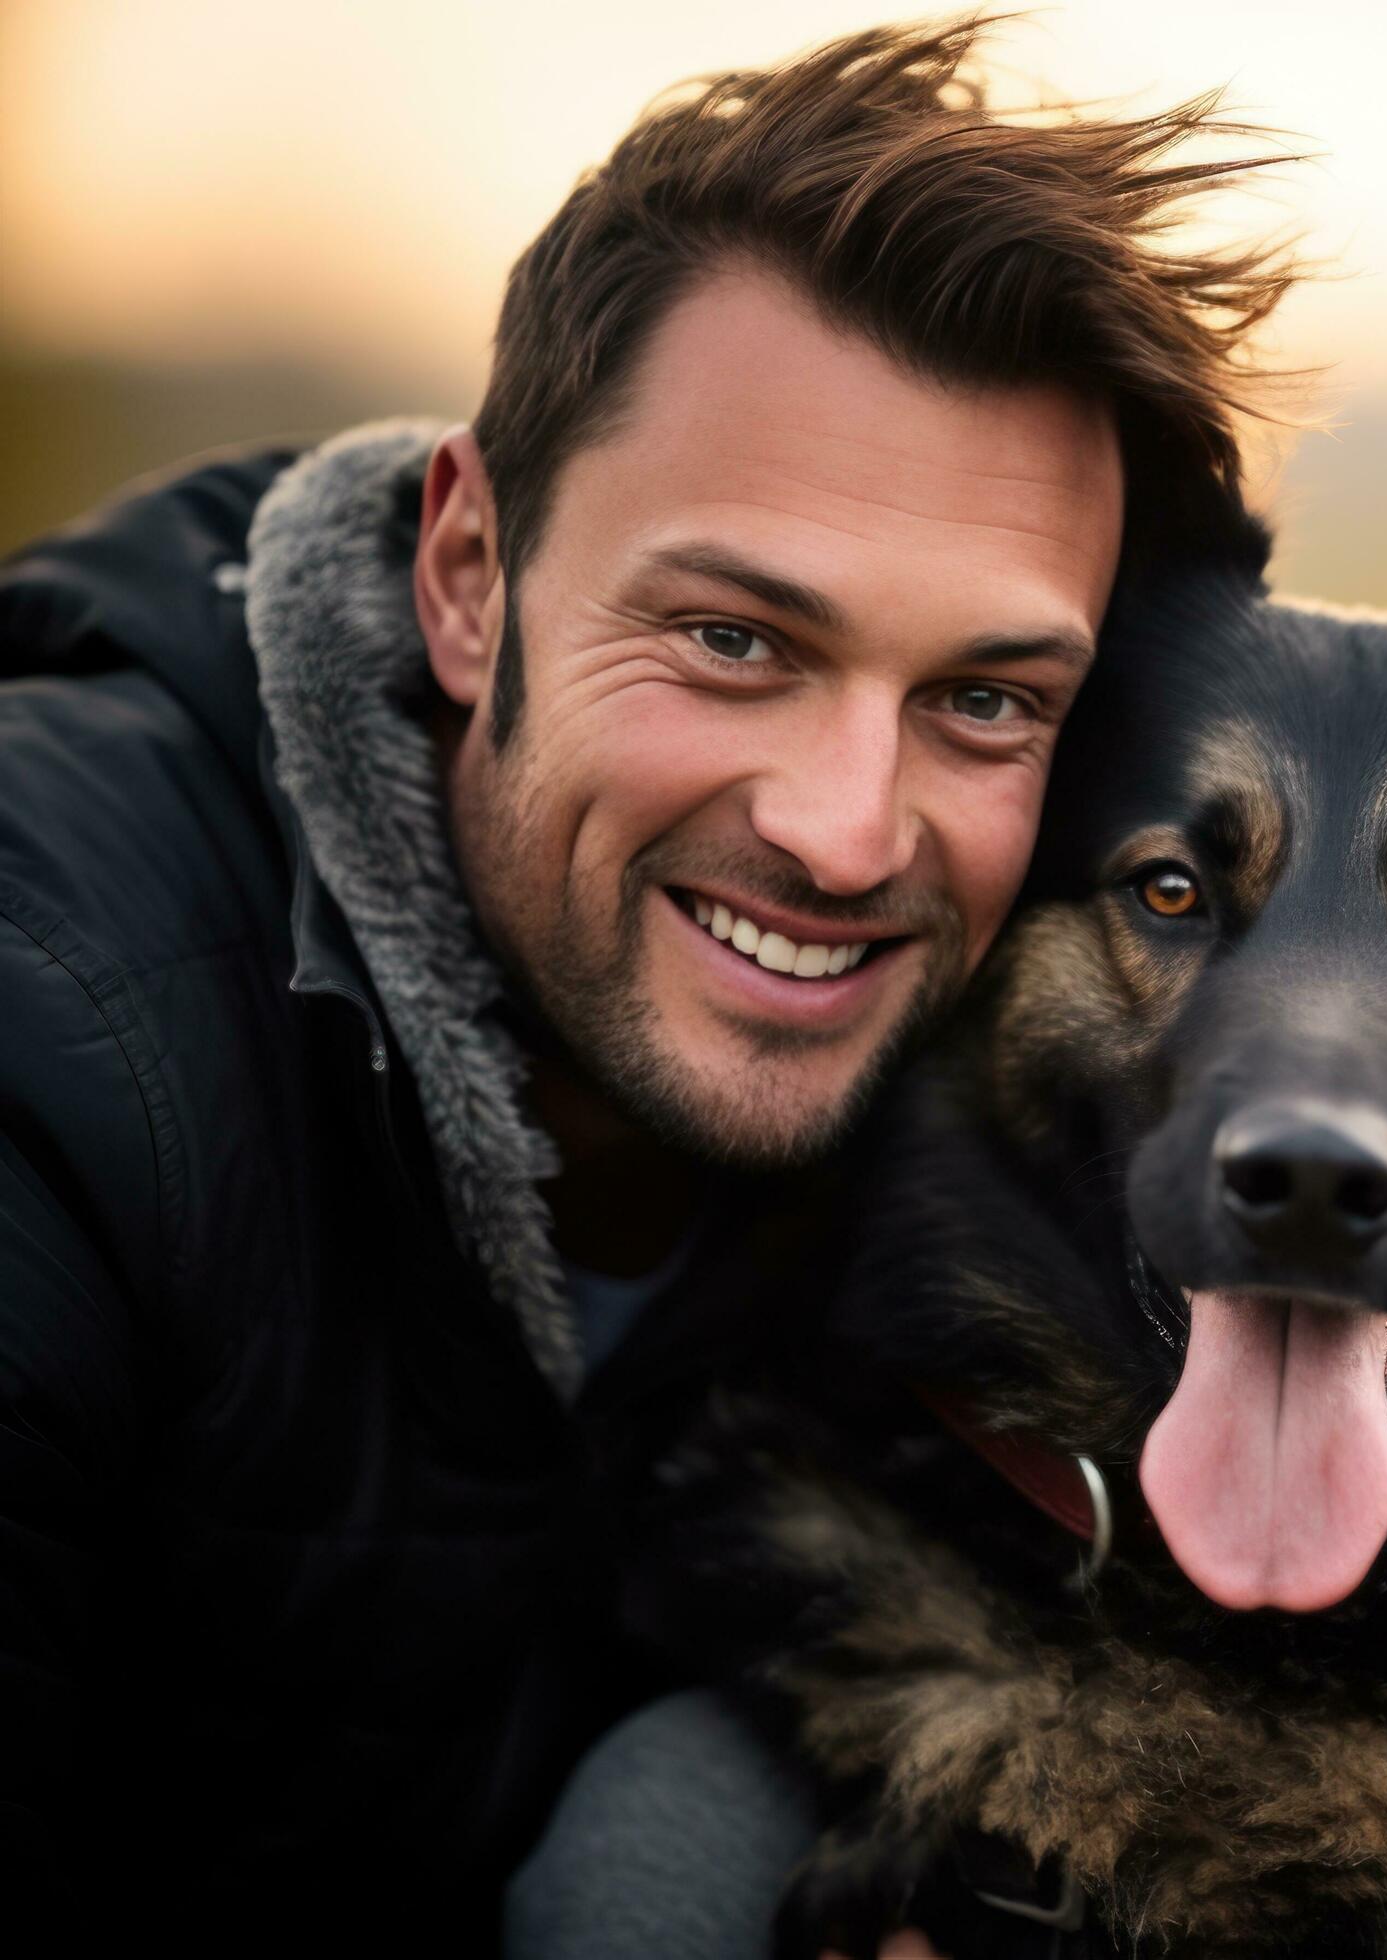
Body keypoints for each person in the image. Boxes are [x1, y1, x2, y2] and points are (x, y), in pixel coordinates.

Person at [0, 18, 1289, 1944]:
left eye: (985, 702)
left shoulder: (1060, 1064)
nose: (851, 836)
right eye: (732, 640)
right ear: (466, 571)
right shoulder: (59, 1030)